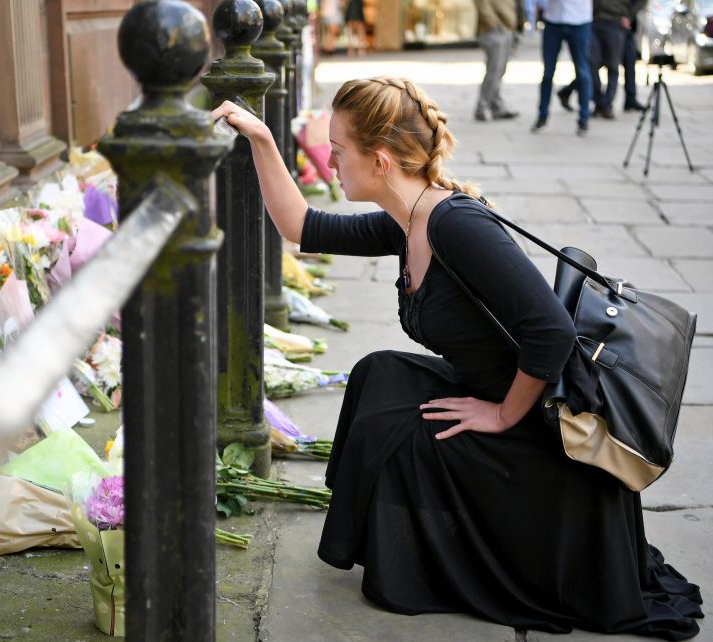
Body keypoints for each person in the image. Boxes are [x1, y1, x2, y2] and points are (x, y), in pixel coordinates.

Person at [211, 77, 704, 638]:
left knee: (402, 435)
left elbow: (551, 331)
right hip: (491, 385)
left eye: (338, 151)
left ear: (380, 160)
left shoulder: (456, 224)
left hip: (541, 429)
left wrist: (499, 416)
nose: (329, 162)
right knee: (379, 375)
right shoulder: (408, 218)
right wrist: (260, 139)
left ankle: (437, 560)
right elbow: (302, 226)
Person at [532, 0, 593, 134]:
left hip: (579, 20)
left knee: (582, 72)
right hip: (553, 20)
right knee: (548, 73)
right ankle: (542, 116)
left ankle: (584, 117)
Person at [474, 0, 521, 121]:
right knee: (493, 71)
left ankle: (496, 106)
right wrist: (493, 24)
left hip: (507, 27)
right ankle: (482, 107)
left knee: (500, 70)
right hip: (495, 29)